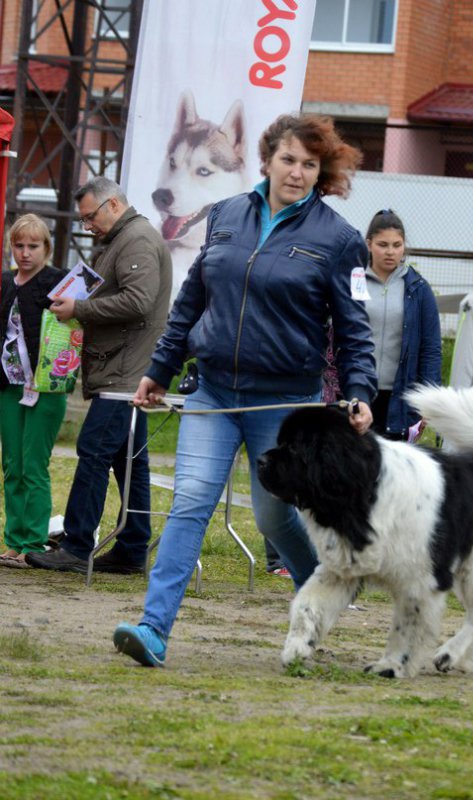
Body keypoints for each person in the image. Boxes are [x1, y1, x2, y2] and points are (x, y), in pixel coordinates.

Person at [112, 113, 378, 667]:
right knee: (189, 503)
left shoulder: (339, 240)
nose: (297, 172)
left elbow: (353, 329)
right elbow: (191, 302)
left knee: (274, 518)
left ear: (319, 171)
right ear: (265, 160)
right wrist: (160, 368)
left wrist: (359, 391)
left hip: (283, 405)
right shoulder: (226, 215)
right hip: (213, 392)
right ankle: (153, 629)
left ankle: (322, 594)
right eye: (288, 160)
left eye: (309, 164)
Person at [26, 177, 172, 574]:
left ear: (112, 205)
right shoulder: (123, 239)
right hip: (126, 370)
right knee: (129, 462)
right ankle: (132, 548)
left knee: (93, 453)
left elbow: (140, 301)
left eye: (91, 216)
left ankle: (75, 545)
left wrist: (80, 309)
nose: (87, 224)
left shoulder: (136, 239)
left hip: (124, 374)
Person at [0, 214, 67, 567]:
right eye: (19, 245)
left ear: (47, 248)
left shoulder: (60, 283)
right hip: (9, 386)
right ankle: (13, 540)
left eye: (33, 246)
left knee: (33, 466)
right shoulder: (4, 282)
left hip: (46, 387)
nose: (25, 253)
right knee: (11, 465)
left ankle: (34, 543)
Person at [364, 209, 441, 439]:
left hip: (399, 395)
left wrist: (430, 399)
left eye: (397, 245)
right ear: (369, 244)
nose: (390, 252)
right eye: (383, 244)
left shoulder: (419, 289)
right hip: (357, 391)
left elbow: (431, 349)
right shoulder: (353, 282)